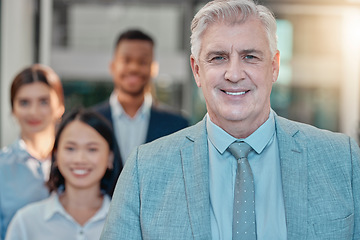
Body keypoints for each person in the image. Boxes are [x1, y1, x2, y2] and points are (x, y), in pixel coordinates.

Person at [100, 0, 360, 239]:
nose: (234, 74)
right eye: (218, 57)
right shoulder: (144, 170)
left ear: (274, 66)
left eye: (250, 56)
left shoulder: (343, 161)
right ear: (197, 70)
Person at [5, 108, 119, 240]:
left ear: (110, 157)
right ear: (56, 154)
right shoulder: (26, 223)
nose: (80, 159)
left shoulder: (127, 222)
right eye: (70, 148)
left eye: (92, 149)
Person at [92, 29, 189, 168]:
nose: (134, 67)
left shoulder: (177, 127)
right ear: (113, 66)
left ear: (153, 68)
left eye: (143, 62)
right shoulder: (91, 122)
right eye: (126, 60)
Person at [0, 64, 65, 240]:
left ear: (60, 106)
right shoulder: (2, 167)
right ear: (13, 109)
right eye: (24, 103)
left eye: (44, 101)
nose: (34, 112)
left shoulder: (79, 164)